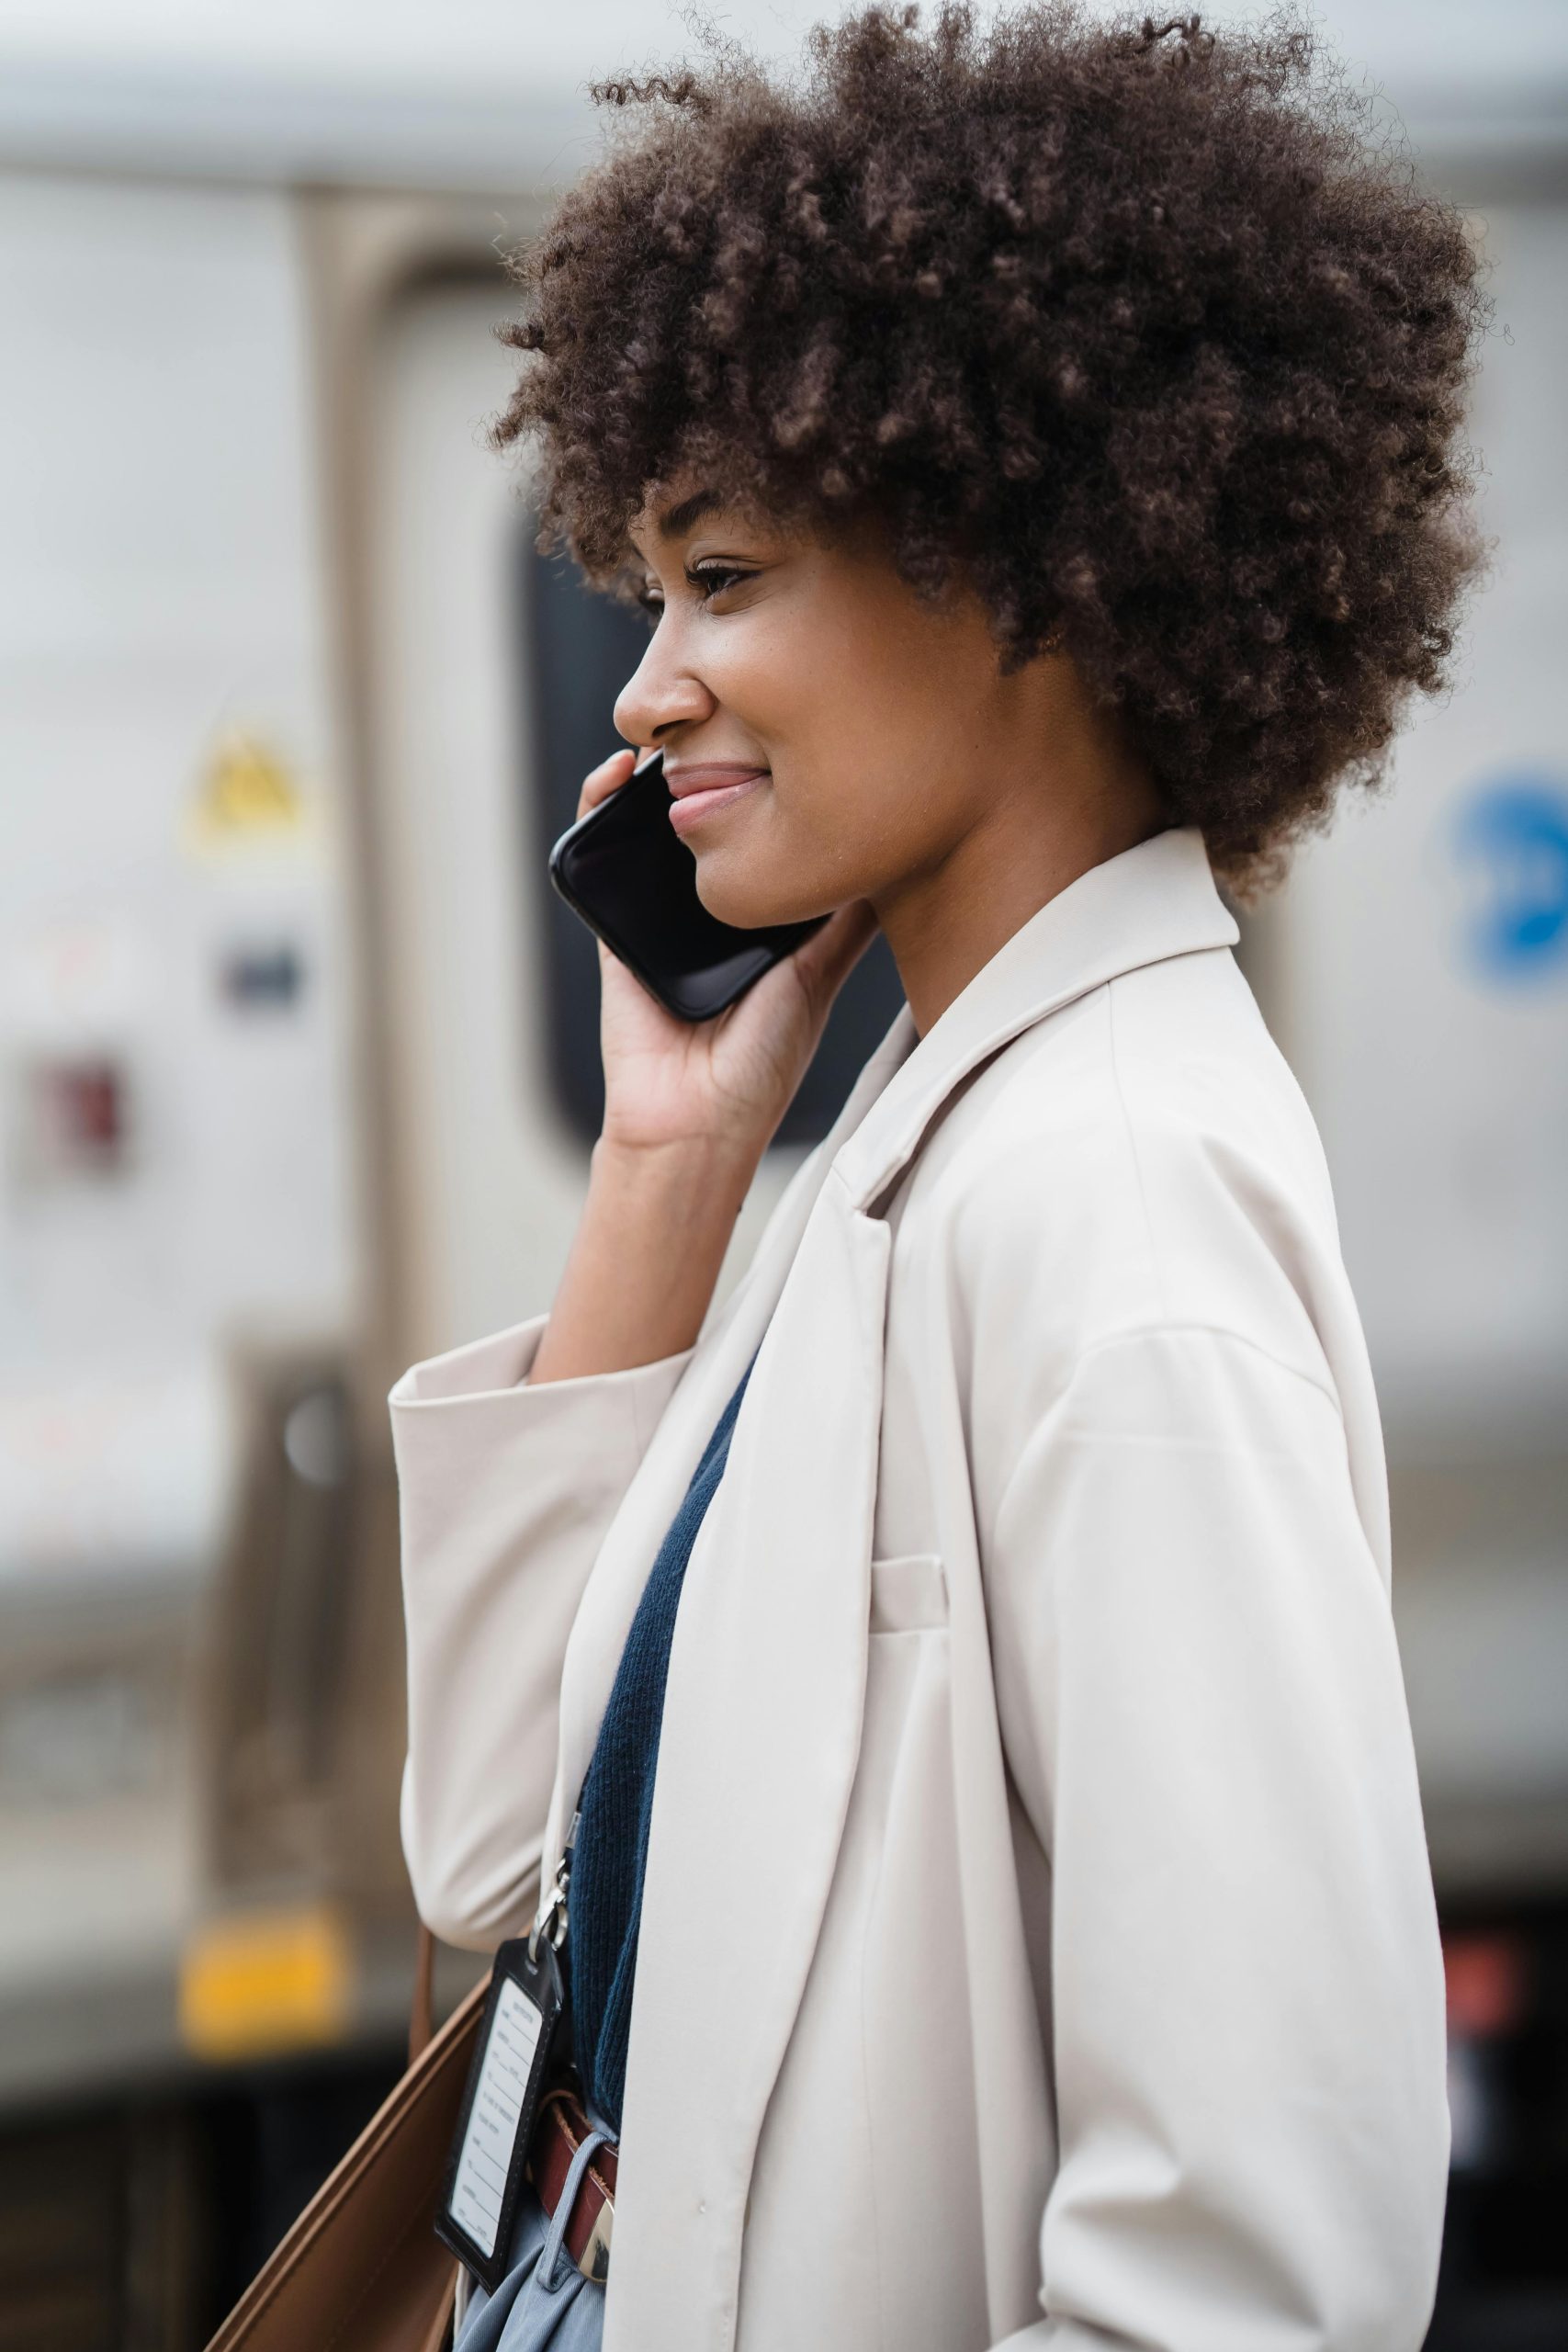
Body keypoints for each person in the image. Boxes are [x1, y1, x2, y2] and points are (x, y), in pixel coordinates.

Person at [389, 8, 1483, 2347]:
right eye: (648, 588)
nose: (643, 684)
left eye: (719, 575)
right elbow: (514, 1864)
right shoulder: (916, 1143)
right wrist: (662, 1169)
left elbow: (1248, 2266)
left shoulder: (1112, 1200)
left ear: (1025, 573)